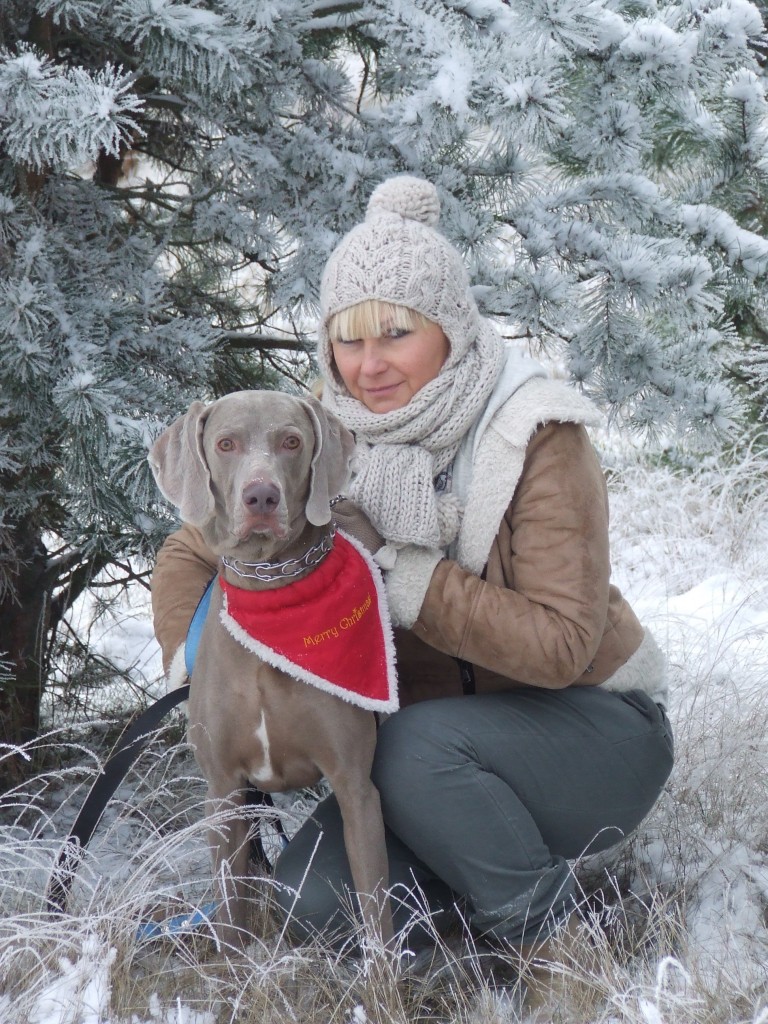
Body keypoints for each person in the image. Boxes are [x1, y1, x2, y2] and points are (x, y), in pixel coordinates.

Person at [151, 177, 673, 987]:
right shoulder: (324, 439)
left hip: (591, 734)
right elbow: (193, 553)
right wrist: (208, 666)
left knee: (410, 753)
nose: (369, 365)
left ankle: (556, 938)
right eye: (348, 341)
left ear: (449, 329)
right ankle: (460, 928)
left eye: (395, 333)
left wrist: (407, 578)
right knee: (309, 901)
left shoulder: (532, 434)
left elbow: (565, 645)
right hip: (436, 765)